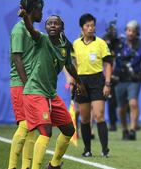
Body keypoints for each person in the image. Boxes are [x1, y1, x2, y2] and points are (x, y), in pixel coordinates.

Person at [19, 11, 85, 169]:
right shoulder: (41, 39)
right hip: (35, 92)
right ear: (46, 27)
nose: (53, 26)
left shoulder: (64, 46)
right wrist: (26, 17)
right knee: (46, 131)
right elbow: (31, 30)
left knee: (69, 129)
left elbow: (69, 65)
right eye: (49, 23)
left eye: (56, 23)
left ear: (62, 27)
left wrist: (79, 82)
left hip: (50, 93)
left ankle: (54, 164)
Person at [8, 0, 43, 169]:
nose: (42, 13)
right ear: (33, 10)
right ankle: (12, 166)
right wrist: (27, 84)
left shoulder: (31, 30)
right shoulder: (18, 30)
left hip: (30, 84)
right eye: (40, 9)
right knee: (25, 125)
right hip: (21, 84)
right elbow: (17, 58)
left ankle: (26, 167)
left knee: (32, 127)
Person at [72, 13, 113, 157]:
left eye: (92, 25)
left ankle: (104, 150)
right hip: (81, 81)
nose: (91, 28)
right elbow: (74, 64)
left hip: (97, 81)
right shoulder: (76, 44)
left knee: (99, 115)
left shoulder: (101, 43)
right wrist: (74, 82)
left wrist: (107, 83)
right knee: (84, 118)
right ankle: (87, 150)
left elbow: (108, 64)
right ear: (82, 28)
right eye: (87, 25)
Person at [112, 20, 141, 140]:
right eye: (128, 30)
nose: (130, 33)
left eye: (133, 31)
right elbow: (109, 55)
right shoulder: (119, 43)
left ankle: (132, 129)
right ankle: (124, 129)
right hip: (120, 78)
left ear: (137, 32)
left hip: (134, 78)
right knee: (121, 108)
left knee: (133, 103)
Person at [102, 20, 119, 131]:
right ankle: (112, 123)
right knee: (111, 101)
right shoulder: (102, 44)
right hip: (108, 76)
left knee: (122, 100)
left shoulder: (119, 44)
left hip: (119, 75)